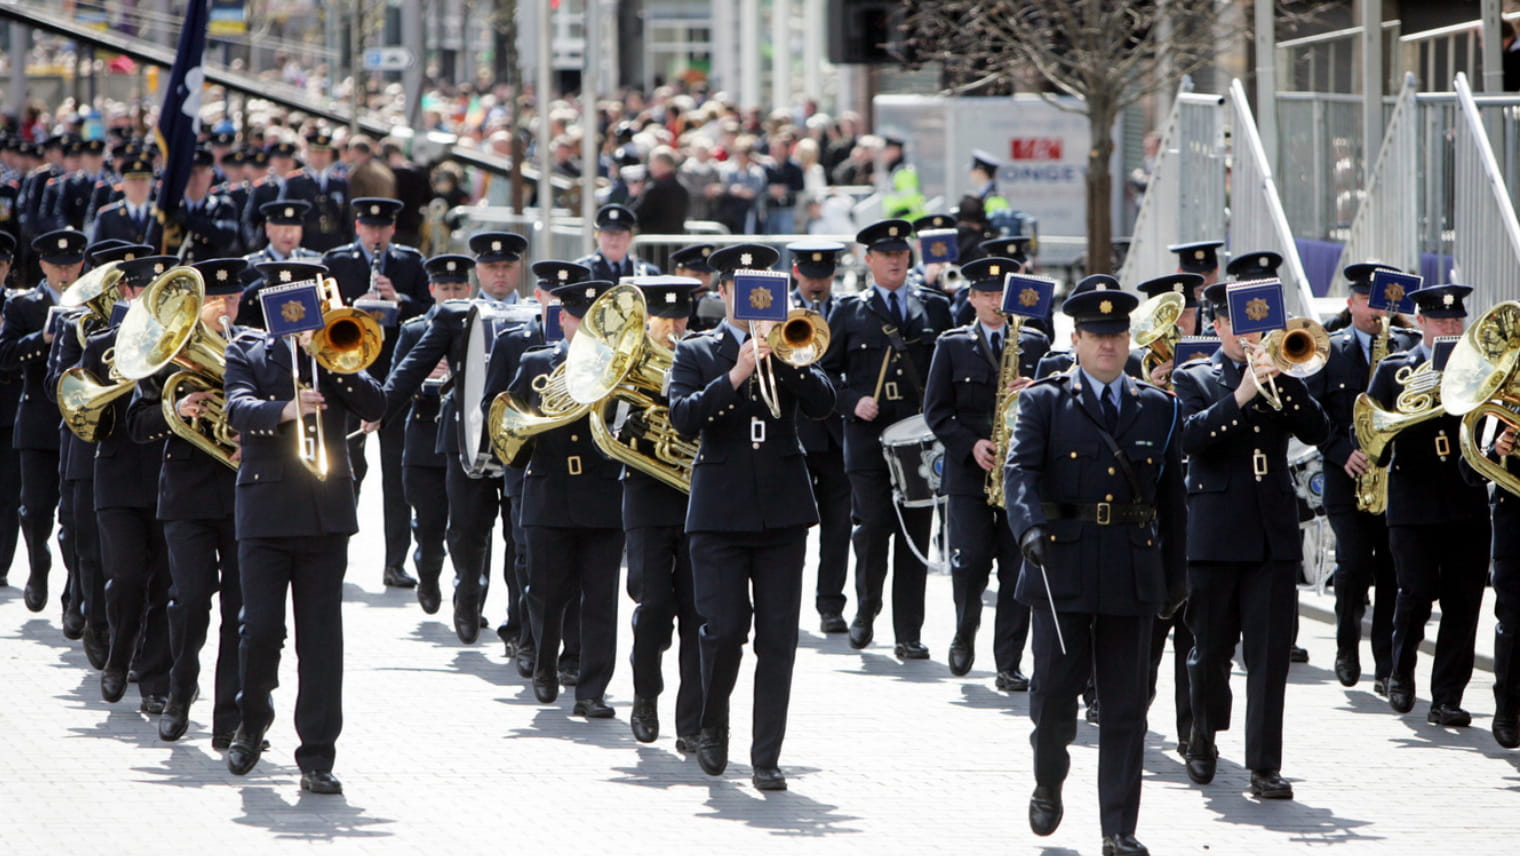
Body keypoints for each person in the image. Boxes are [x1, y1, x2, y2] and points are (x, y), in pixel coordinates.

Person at [1004, 284, 1186, 856]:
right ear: (1076, 340)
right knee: (1055, 697)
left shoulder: (1158, 406)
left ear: (1129, 340)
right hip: (1062, 564)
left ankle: (1118, 828)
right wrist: (1029, 527)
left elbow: (1172, 500)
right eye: (1097, 336)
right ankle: (1048, 779)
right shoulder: (1044, 402)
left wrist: (1176, 580)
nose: (1109, 345)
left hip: (1130, 570)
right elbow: (1020, 473)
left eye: (1117, 336)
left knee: (1126, 707)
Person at [668, 242, 836, 791]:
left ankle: (767, 756)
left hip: (782, 514)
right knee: (723, 630)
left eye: (762, 290)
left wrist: (783, 359)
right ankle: (712, 723)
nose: (754, 299)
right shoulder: (697, 350)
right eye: (742, 290)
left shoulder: (794, 341)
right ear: (722, 294)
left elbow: (822, 403)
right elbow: (684, 418)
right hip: (718, 514)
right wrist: (737, 374)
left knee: (779, 639)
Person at [223, 260, 386, 794]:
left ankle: (317, 755)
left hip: (324, 516)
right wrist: (287, 408)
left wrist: (336, 362)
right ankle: (250, 722)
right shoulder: (246, 350)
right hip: (266, 513)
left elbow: (376, 403)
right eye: (286, 302)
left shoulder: (337, 352)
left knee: (321, 642)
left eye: (306, 301)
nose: (297, 313)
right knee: (260, 629)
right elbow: (238, 410)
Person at [1173, 281, 1330, 800]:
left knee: (1268, 657)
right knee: (1209, 652)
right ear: (1217, 326)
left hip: (1271, 532)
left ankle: (1265, 765)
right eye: (1241, 325)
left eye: (1261, 325)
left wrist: (1286, 382)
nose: (1253, 336)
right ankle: (1203, 734)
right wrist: (1241, 393)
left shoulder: (1285, 373)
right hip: (1216, 532)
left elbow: (1318, 431)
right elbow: (1192, 438)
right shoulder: (1193, 375)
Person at [126, 257, 248, 744]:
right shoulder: (165, 354)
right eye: (216, 301)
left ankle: (231, 718)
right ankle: (179, 692)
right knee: (190, 600)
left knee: (243, 613)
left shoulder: (255, 350)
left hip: (245, 498)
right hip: (187, 495)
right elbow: (136, 425)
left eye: (233, 299)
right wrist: (173, 409)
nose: (225, 309)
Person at [820, 218, 953, 660]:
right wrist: (852, 401)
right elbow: (824, 375)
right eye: (886, 254)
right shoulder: (849, 310)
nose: (895, 261)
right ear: (869, 260)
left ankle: (908, 633)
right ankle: (866, 609)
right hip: (868, 439)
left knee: (915, 535)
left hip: (916, 439)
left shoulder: (932, 307)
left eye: (901, 253)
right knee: (874, 529)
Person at [1367, 284, 1491, 727]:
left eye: (1457, 321)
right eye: (1441, 322)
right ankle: (1400, 672)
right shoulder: (1395, 369)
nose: (1450, 328)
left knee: (1464, 601)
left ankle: (1448, 697)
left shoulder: (1482, 369)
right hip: (1414, 501)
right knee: (1415, 591)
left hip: (1467, 498)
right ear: (1420, 323)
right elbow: (1374, 435)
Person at [924, 256, 1047, 690]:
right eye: (987, 295)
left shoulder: (1034, 343)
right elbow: (936, 411)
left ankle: (1008, 662)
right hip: (969, 472)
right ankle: (964, 627)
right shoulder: (952, 344)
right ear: (971, 298)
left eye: (1002, 295)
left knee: (1017, 570)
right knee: (971, 560)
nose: (996, 303)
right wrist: (970, 444)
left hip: (1018, 474)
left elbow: (1056, 405)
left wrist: (1038, 389)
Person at [507, 278, 625, 718]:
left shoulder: (621, 367)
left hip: (602, 491)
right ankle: (543, 662)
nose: (589, 331)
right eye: (581, 321)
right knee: (544, 591)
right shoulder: (536, 362)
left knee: (599, 598)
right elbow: (509, 425)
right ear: (563, 320)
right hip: (548, 490)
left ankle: (592, 689)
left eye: (599, 323)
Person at [1305, 262, 1417, 696]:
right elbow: (1313, 416)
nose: (1375, 310)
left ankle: (1385, 665)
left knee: (1391, 569)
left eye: (1381, 302)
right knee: (1353, 564)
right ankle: (1346, 644)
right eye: (1367, 301)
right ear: (1350, 304)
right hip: (1345, 476)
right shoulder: (1331, 350)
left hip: (1393, 477)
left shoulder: (1405, 349)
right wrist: (1340, 452)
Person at [481, 260, 592, 675]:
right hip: (531, 469)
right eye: (551, 295)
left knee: (579, 577)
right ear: (541, 297)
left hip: (584, 477)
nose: (555, 304)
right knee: (530, 564)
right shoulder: (517, 343)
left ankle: (573, 657)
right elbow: (495, 407)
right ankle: (528, 641)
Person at [323, 196, 432, 589]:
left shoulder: (409, 263)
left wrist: (397, 300)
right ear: (357, 229)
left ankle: (395, 562)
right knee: (345, 471)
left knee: (397, 476)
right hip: (347, 378)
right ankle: (336, 557)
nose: (376, 234)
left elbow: (427, 313)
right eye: (369, 227)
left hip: (393, 380)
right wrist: (355, 309)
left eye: (382, 228)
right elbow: (323, 311)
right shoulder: (336, 261)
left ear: (391, 230)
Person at [84, 255, 176, 712]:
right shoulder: (100, 344)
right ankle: (120, 655)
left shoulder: (184, 345)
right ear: (127, 294)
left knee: (166, 584)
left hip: (169, 477)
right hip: (118, 477)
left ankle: (157, 680)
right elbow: (89, 404)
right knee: (125, 577)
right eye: (146, 293)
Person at [624, 275, 703, 749]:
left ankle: (691, 721)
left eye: (680, 317)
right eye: (663, 318)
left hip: (698, 499)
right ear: (648, 320)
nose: (673, 327)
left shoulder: (701, 356)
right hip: (648, 494)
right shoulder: (628, 359)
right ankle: (645, 696)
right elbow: (604, 414)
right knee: (653, 604)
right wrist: (626, 420)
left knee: (699, 613)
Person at [0, 228, 87, 612]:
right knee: (34, 510)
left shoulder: (92, 303)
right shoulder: (21, 306)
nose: (63, 272)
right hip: (36, 420)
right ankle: (38, 566)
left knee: (74, 516)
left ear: (82, 264)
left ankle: (75, 587)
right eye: (55, 265)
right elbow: (5, 355)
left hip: (78, 422)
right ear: (42, 265)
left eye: (70, 265)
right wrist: (43, 339)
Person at [386, 254, 475, 621]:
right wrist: (427, 379)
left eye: (458, 288)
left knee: (466, 529)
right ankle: (428, 577)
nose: (451, 293)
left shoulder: (475, 328)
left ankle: (467, 598)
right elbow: (397, 380)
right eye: (444, 288)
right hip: (423, 442)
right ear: (431, 290)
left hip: (459, 440)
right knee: (428, 526)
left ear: (468, 290)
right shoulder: (413, 331)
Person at [788, 239, 851, 632]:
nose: (817, 284)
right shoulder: (778, 309)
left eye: (824, 276)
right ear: (796, 273)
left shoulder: (846, 311)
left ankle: (830, 603)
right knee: (789, 525)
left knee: (838, 524)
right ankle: (784, 602)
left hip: (835, 432)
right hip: (793, 432)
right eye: (810, 277)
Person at [239, 199, 324, 328]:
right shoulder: (250, 266)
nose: (288, 235)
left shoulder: (315, 262)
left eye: (293, 228)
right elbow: (242, 311)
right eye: (282, 228)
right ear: (268, 229)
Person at [283, 131, 351, 252]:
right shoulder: (294, 181)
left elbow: (346, 217)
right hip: (305, 241)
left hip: (333, 241)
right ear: (308, 153)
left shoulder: (340, 181)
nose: (320, 157)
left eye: (324, 152)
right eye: (316, 152)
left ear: (330, 154)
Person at [577, 203, 661, 282]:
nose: (614, 239)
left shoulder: (648, 273)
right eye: (609, 233)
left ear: (630, 237)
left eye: (620, 233)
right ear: (597, 236)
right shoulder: (581, 272)